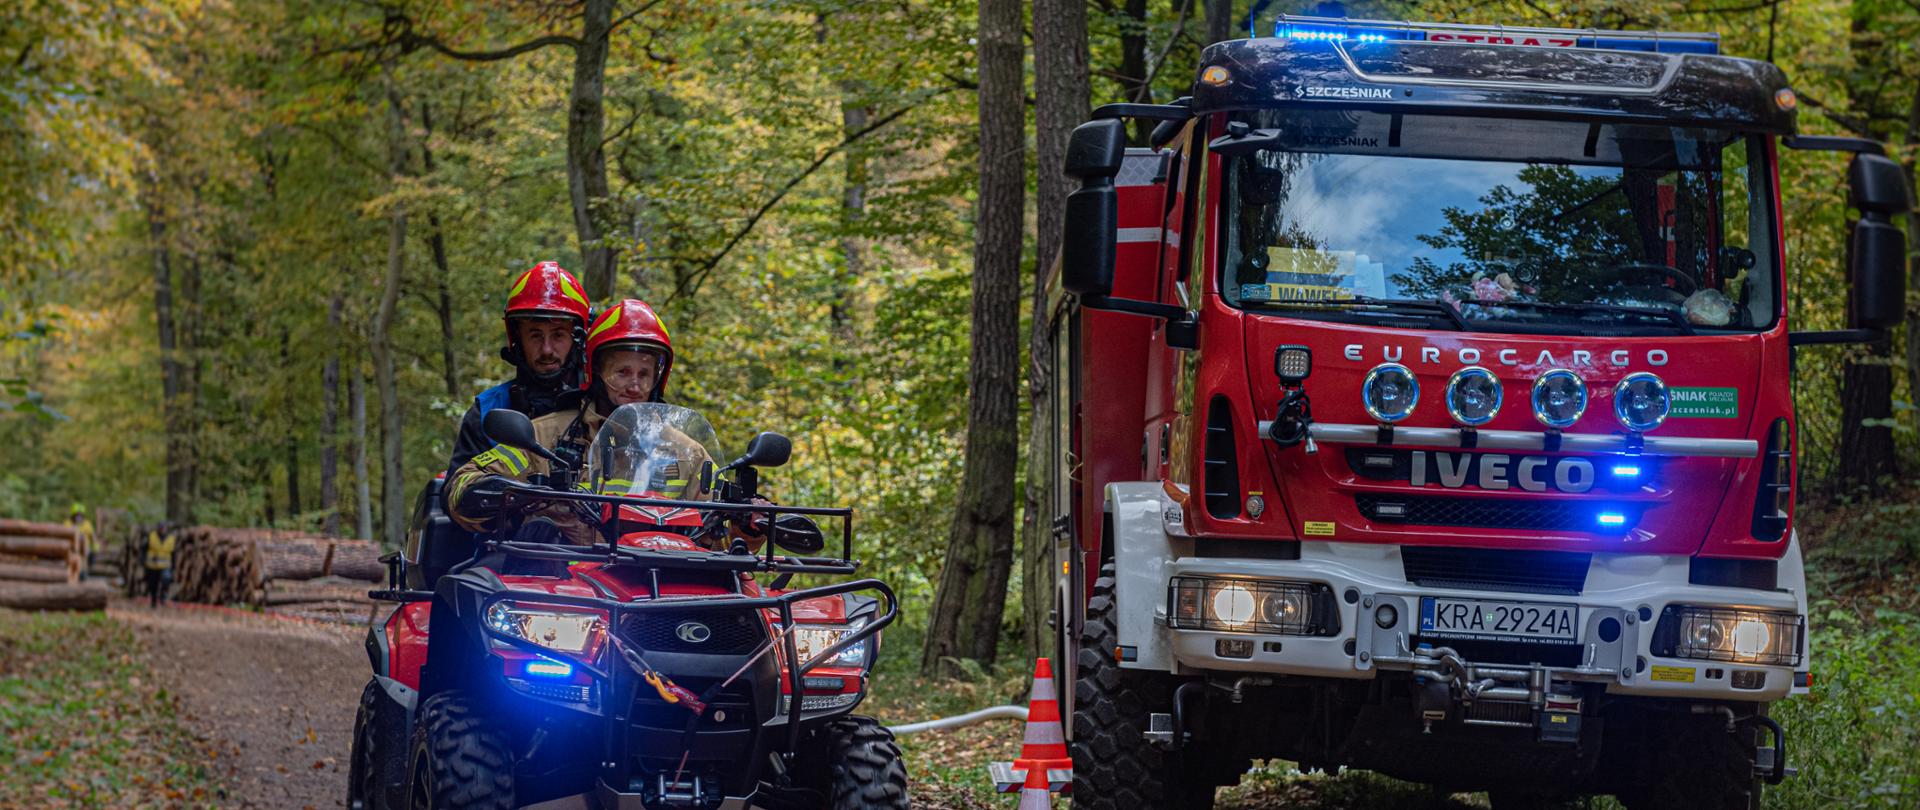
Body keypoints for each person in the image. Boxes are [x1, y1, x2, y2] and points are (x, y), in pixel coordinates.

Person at [445, 298, 677, 546]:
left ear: (659, 378)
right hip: (560, 570)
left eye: (644, 374)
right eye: (622, 373)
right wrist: (509, 496)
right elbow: (461, 486)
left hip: (659, 570)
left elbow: (709, 533)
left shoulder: (685, 453)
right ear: (596, 371)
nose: (634, 387)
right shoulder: (545, 437)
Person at [444, 261, 594, 477]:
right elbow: (457, 488)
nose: (547, 349)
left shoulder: (599, 405)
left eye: (558, 335)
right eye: (535, 335)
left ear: (579, 339)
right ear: (517, 339)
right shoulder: (487, 411)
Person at [144, 523, 176, 608]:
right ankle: (153, 601)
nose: (162, 530)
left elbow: (173, 553)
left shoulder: (171, 538)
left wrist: (174, 565)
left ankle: (163, 596)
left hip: (165, 565)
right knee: (153, 585)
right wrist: (143, 561)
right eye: (161, 528)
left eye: (164, 528)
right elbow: (144, 549)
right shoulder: (151, 536)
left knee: (166, 579)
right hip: (152, 565)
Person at [67, 504, 94, 581]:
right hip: (72, 547)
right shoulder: (68, 523)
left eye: (80, 515)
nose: (79, 517)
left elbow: (92, 536)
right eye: (77, 515)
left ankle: (84, 572)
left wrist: (95, 545)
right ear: (73, 516)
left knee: (87, 555)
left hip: (85, 548)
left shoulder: (87, 524)